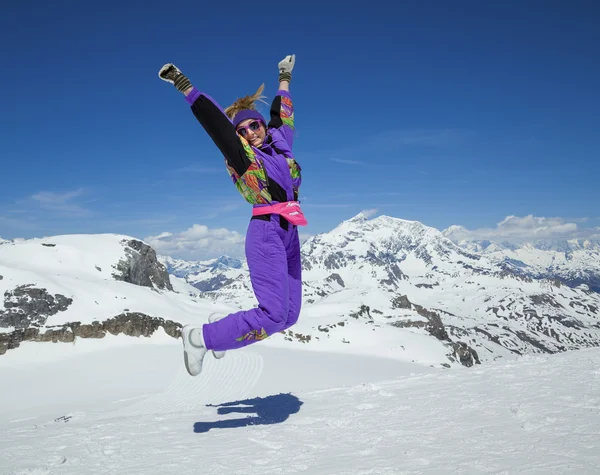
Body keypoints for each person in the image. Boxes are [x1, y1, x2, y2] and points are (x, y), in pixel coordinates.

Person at [158, 54, 306, 376]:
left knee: (289, 316)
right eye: (243, 130)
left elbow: (284, 114)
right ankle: (199, 338)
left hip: (289, 233)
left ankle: (222, 332)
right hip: (266, 231)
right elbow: (216, 124)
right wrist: (185, 86)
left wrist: (284, 76)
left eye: (255, 125)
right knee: (272, 315)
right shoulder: (244, 158)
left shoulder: (281, 147)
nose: (251, 131)